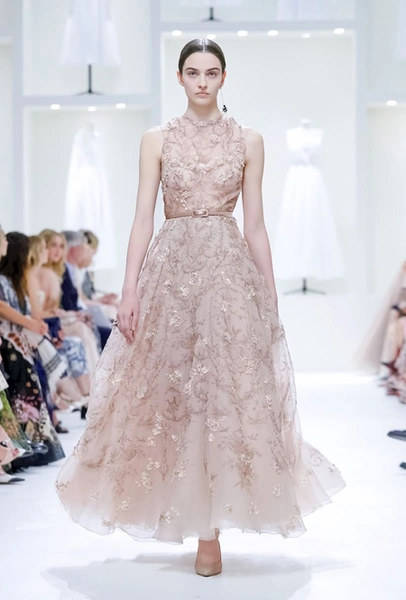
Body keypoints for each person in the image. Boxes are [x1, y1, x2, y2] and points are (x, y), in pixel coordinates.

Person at [55, 38, 345, 577]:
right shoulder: (156, 140)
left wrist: (269, 296)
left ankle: (210, 533)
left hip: (229, 274)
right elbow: (142, 218)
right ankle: (185, 515)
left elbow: (255, 225)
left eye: (212, 72)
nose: (203, 82)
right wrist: (130, 290)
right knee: (169, 393)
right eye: (193, 72)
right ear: (180, 78)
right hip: (170, 274)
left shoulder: (250, 141)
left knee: (225, 394)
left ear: (224, 78)